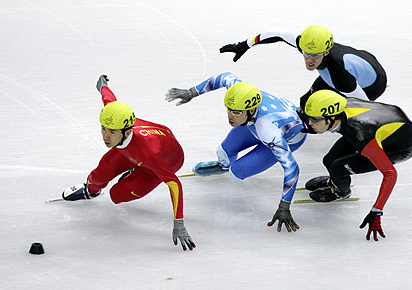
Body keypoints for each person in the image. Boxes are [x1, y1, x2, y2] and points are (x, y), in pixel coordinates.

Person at [61, 75, 196, 251]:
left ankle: (136, 169)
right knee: (98, 175)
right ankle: (91, 191)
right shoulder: (117, 119)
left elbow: (175, 184)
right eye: (103, 128)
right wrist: (103, 86)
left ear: (125, 132)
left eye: (111, 131)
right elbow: (109, 100)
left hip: (164, 162)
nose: (105, 136)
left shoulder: (149, 154)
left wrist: (179, 222)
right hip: (134, 150)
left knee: (117, 195)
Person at [165, 72, 307, 233]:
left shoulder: (268, 130)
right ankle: (223, 165)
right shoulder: (239, 92)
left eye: (237, 112)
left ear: (251, 110)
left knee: (237, 172)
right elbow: (224, 77)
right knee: (223, 151)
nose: (230, 116)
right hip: (254, 124)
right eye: (229, 110)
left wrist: (284, 205)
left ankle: (230, 168)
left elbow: (292, 168)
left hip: (286, 136)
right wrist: (192, 92)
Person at [302, 89, 412, 241]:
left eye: (315, 120)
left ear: (331, 118)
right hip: (384, 126)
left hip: (398, 147)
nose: (310, 123)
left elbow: (390, 173)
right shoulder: (341, 105)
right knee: (329, 160)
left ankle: (341, 192)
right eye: (309, 118)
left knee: (337, 167)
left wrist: (377, 211)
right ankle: (336, 182)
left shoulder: (362, 136)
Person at [219, 25, 387, 112]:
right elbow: (278, 34)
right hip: (363, 61)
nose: (309, 59)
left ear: (326, 51)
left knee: (331, 112)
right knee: (306, 102)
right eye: (306, 53)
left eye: (315, 55)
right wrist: (244, 45)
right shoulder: (308, 45)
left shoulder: (340, 76)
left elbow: (365, 107)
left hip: (371, 84)